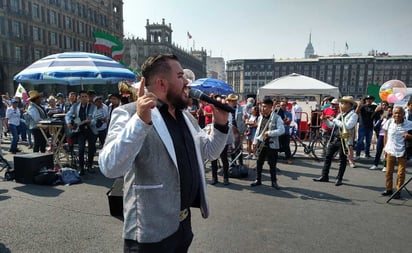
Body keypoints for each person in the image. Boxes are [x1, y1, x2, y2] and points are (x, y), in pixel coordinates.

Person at [98, 54, 229, 252]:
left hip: (182, 227)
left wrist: (220, 125)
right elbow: (110, 166)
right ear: (161, 83)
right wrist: (140, 121)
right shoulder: (128, 113)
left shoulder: (186, 117)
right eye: (180, 76)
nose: (187, 81)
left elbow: (209, 152)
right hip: (150, 235)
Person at [313, 96, 358, 186]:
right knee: (328, 157)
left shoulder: (353, 115)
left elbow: (347, 126)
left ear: (350, 105)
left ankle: (339, 178)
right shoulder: (339, 114)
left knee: (342, 159)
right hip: (334, 138)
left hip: (344, 139)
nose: (341, 105)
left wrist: (334, 119)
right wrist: (325, 120)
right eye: (341, 103)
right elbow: (332, 126)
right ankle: (324, 176)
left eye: (344, 103)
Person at [250, 98, 285, 189]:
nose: (262, 108)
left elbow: (281, 130)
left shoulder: (277, 117)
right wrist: (254, 142)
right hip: (261, 143)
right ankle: (258, 180)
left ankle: (274, 182)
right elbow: (258, 130)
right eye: (262, 106)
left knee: (272, 164)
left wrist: (269, 133)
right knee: (259, 163)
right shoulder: (261, 117)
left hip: (272, 144)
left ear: (270, 107)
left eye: (265, 107)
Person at [381, 106, 412, 199]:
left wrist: (408, 136)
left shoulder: (409, 124)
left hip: (403, 151)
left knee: (401, 173)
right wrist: (385, 148)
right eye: (395, 113)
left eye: (399, 113)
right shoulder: (389, 122)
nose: (397, 115)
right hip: (390, 150)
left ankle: (398, 191)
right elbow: (385, 135)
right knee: (388, 172)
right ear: (393, 114)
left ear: (403, 114)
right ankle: (388, 189)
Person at [65, 90, 98, 175]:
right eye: (82, 97)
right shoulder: (75, 106)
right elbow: (68, 115)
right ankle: (81, 168)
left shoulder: (93, 107)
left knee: (91, 148)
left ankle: (90, 166)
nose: (84, 98)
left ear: (88, 98)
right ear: (79, 98)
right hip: (80, 130)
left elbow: (95, 119)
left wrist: (90, 121)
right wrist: (68, 122)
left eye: (85, 96)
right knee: (81, 149)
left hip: (90, 129)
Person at [369, 102, 391, 170]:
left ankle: (385, 166)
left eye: (385, 105)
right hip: (380, 134)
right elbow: (372, 119)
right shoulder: (379, 113)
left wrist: (388, 117)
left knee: (386, 150)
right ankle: (375, 164)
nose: (384, 106)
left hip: (388, 135)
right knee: (378, 150)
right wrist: (381, 118)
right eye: (382, 105)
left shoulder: (391, 114)